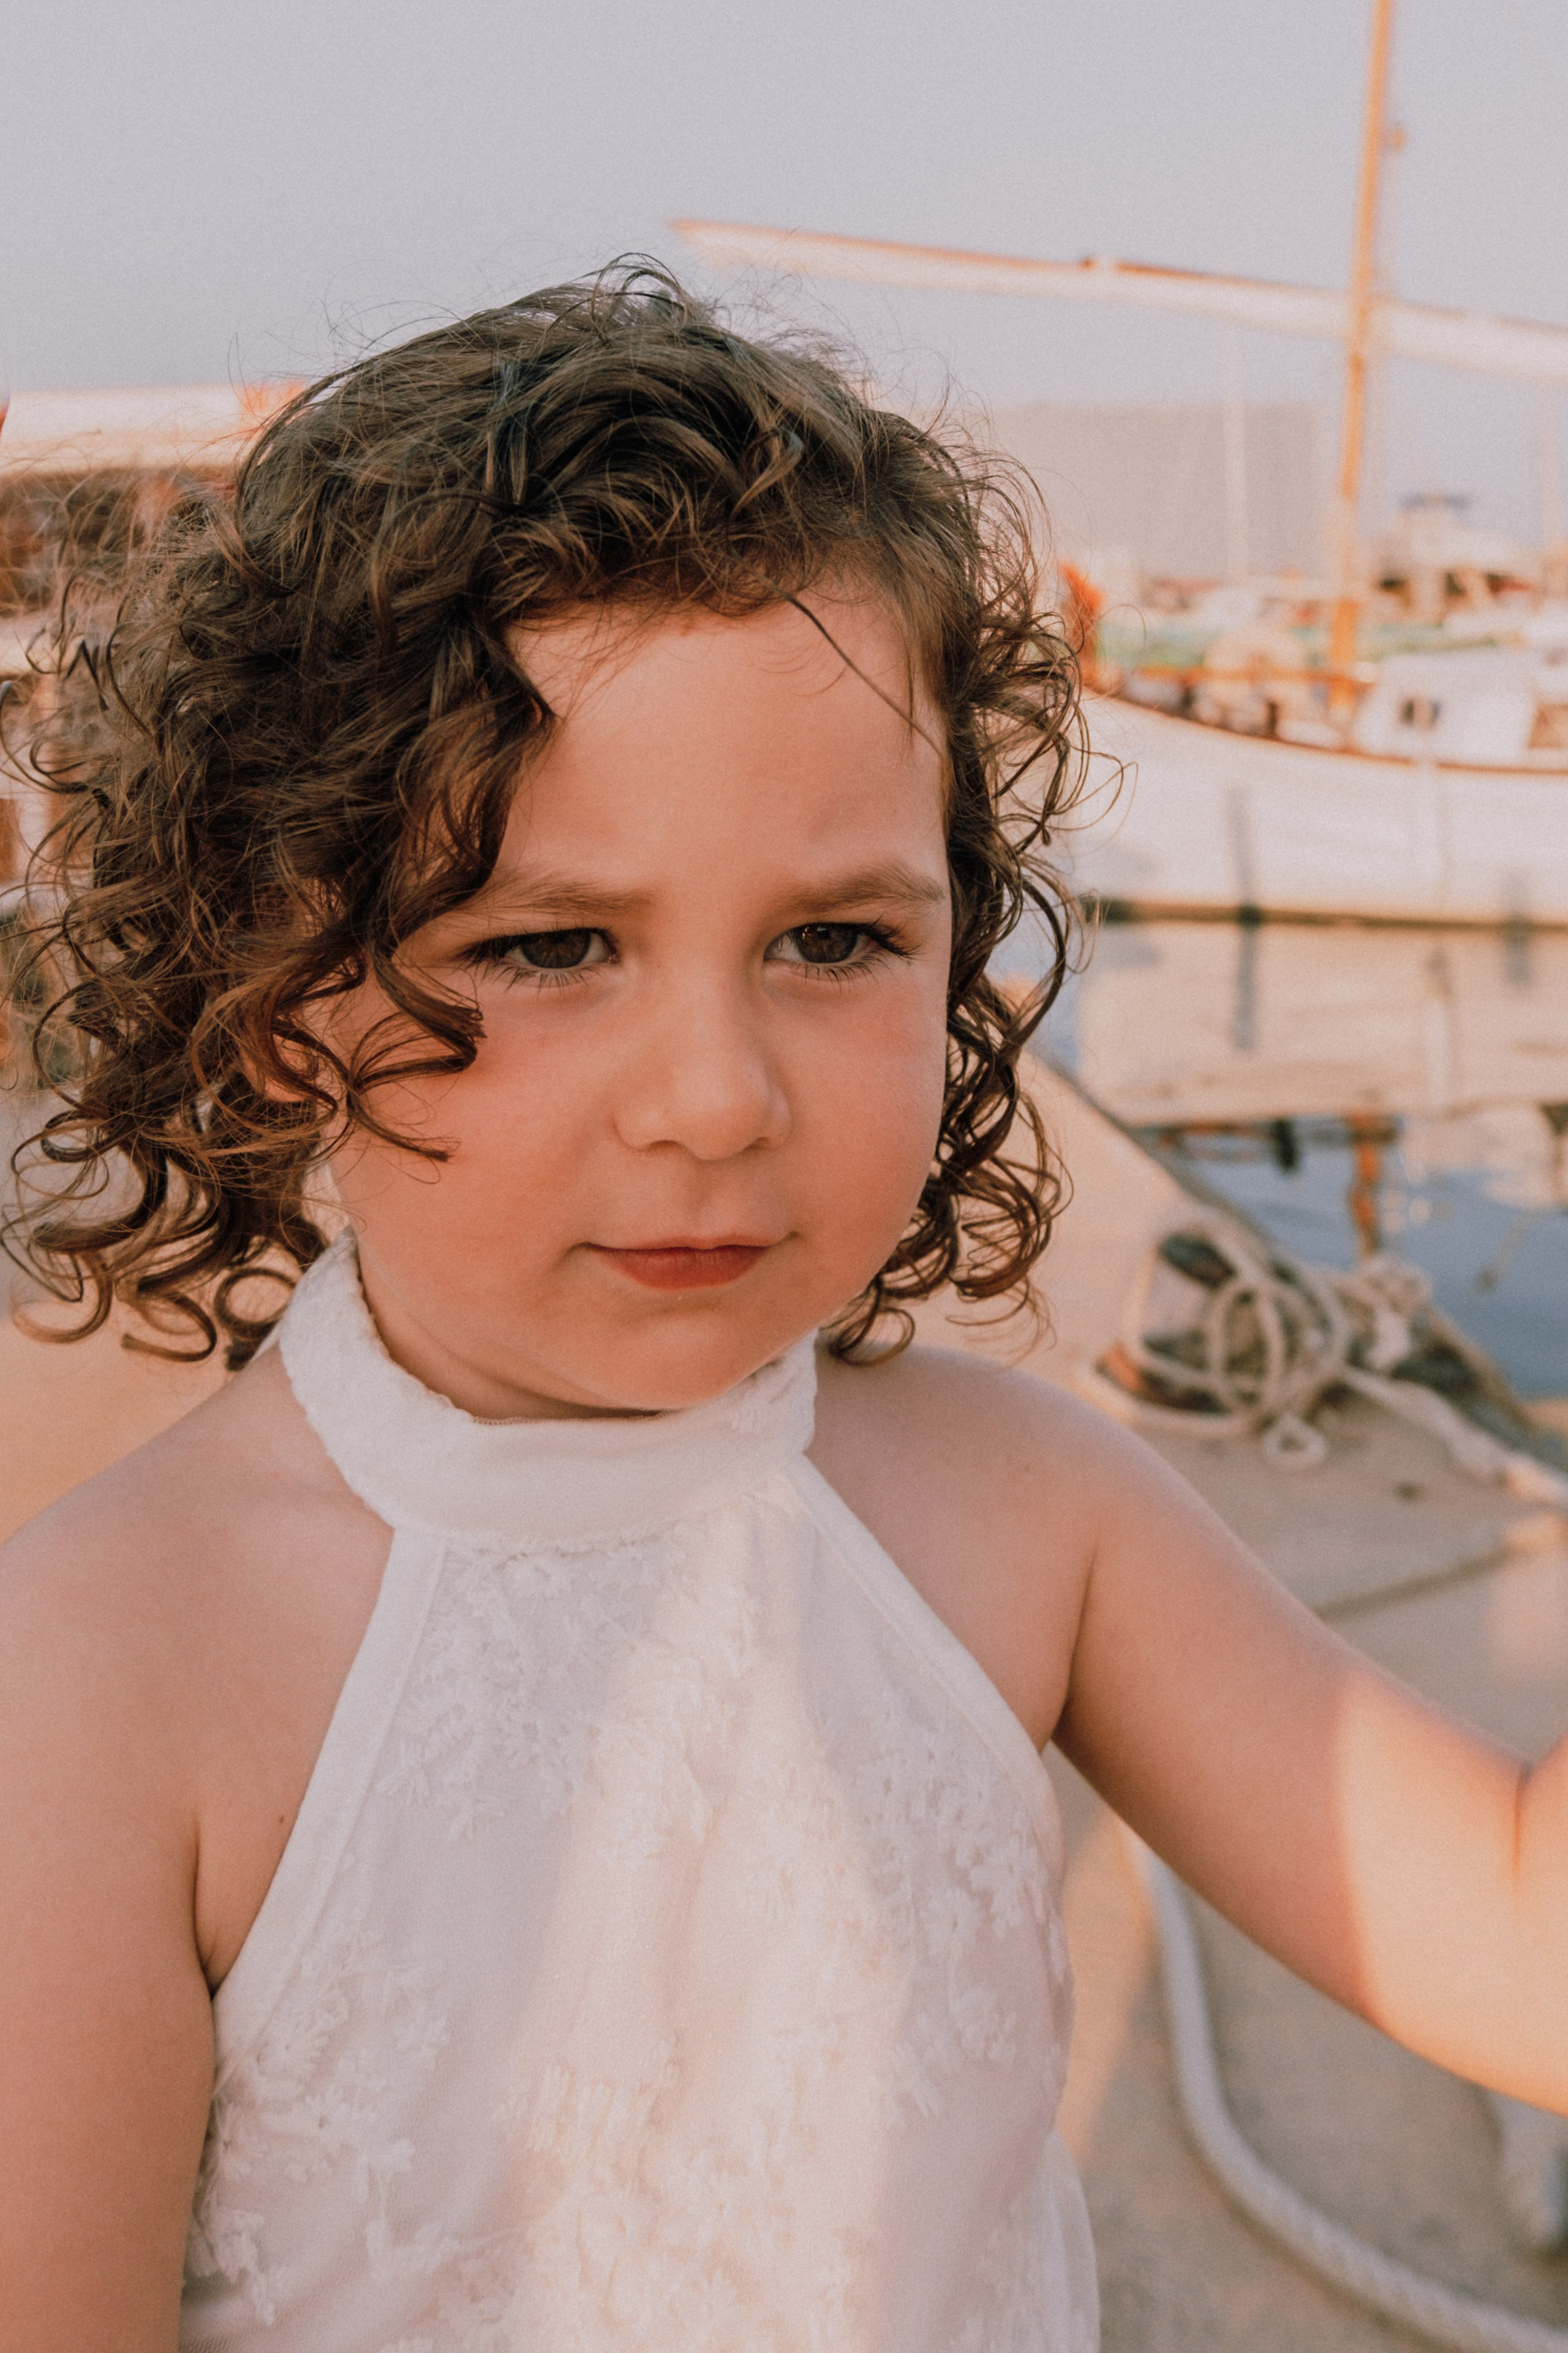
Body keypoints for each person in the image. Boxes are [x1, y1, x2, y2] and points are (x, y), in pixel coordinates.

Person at [0, 270, 1562, 2353]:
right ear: (280, 1003)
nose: (721, 1097)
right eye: (554, 946)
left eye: (834, 935)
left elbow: (1517, 1937)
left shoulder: (1028, 1517)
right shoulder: (102, 1685)